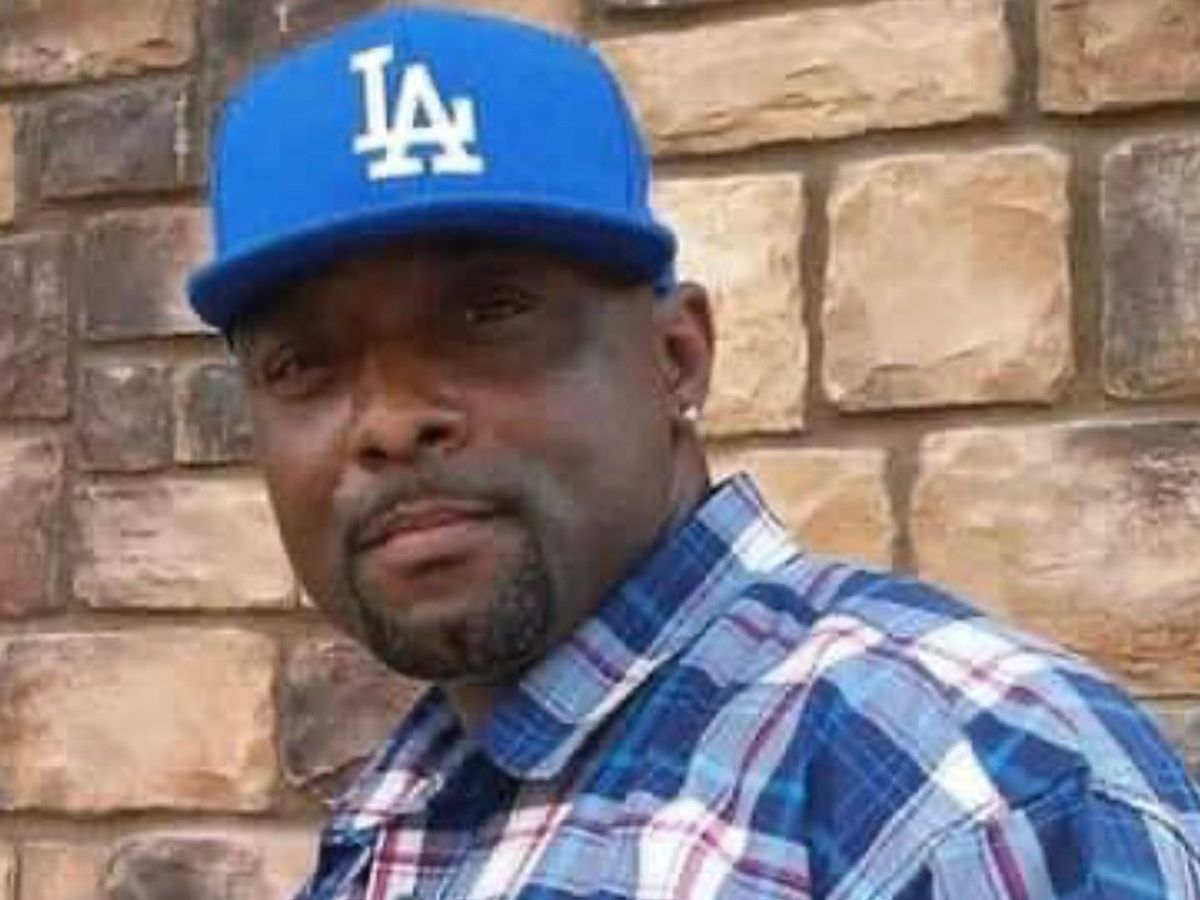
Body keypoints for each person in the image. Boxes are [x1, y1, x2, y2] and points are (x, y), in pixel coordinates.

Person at [188, 7, 1200, 898]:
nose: (392, 420)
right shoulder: (420, 789)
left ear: (677, 357)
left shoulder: (972, 793)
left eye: (489, 313)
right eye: (301, 363)